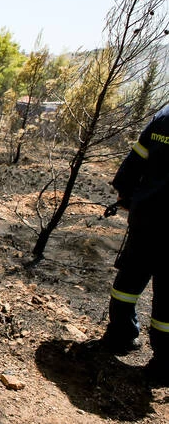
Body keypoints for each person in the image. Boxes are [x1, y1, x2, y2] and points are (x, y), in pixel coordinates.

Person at [100, 103, 169, 381]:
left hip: (148, 218)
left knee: (129, 281)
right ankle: (165, 362)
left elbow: (136, 159)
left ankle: (121, 335)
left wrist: (125, 194)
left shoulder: (165, 117)